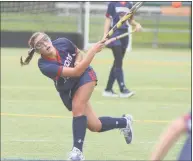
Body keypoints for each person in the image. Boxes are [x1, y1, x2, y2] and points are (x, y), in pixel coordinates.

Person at [20, 32, 134, 161]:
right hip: (69, 89)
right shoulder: (44, 65)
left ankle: (77, 152)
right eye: (40, 45)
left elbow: (78, 53)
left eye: (45, 39)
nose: (45, 44)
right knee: (95, 125)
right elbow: (75, 72)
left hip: (86, 76)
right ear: (37, 51)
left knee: (77, 106)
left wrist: (78, 61)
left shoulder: (63, 42)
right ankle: (125, 122)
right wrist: (93, 51)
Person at [102, 1, 142, 98]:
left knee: (117, 63)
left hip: (125, 36)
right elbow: (108, 19)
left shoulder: (129, 4)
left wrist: (136, 25)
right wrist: (105, 35)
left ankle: (108, 89)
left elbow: (130, 20)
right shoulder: (112, 3)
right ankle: (123, 89)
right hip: (114, 35)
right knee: (119, 62)